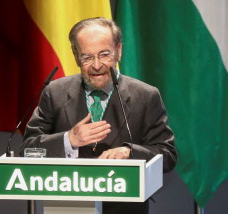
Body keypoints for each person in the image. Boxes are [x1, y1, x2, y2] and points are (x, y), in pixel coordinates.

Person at [20, 17, 177, 214]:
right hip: (67, 207)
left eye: (104, 54)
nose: (96, 65)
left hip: (124, 208)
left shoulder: (145, 96)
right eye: (87, 57)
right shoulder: (55, 92)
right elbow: (27, 148)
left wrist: (129, 152)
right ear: (76, 57)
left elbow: (167, 155)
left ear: (118, 51)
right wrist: (69, 140)